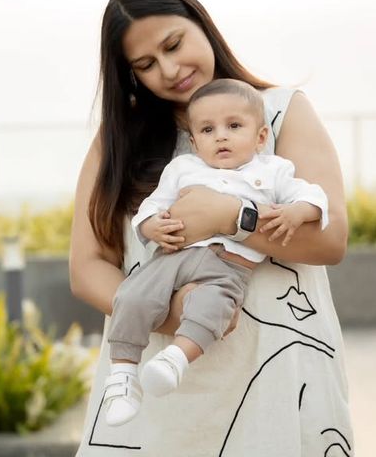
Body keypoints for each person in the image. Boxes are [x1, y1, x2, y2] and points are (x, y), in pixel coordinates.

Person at [70, 0, 354, 456]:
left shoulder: (279, 114)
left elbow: (331, 240)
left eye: (175, 43)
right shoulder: (119, 144)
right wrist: (174, 314)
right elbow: (87, 267)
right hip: (158, 387)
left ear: (200, 21)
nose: (169, 67)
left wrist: (228, 216)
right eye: (146, 63)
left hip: (277, 376)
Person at [104, 78, 329, 427]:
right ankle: (123, 375)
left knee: (215, 306)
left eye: (234, 126)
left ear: (261, 137)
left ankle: (176, 358)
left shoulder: (273, 171)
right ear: (194, 143)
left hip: (227, 266)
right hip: (173, 256)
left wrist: (297, 212)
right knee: (133, 294)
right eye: (208, 130)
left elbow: (315, 197)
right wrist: (151, 227)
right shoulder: (183, 169)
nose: (221, 136)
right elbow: (151, 208)